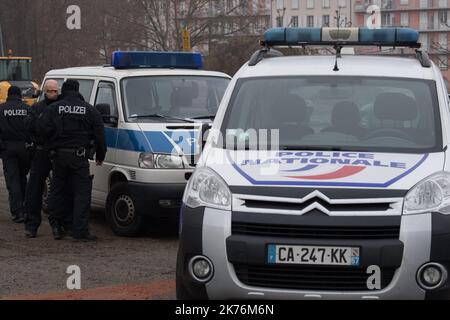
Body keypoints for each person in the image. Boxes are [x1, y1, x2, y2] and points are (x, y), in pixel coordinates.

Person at [38, 80, 107, 242]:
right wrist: (100, 155)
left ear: (64, 90)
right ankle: (80, 230)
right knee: (82, 193)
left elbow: (41, 129)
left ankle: (56, 227)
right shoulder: (90, 110)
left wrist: (50, 146)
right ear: (78, 90)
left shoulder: (54, 108)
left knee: (58, 191)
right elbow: (100, 136)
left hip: (59, 157)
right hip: (79, 158)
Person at [24, 80, 64, 238]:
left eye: (55, 91)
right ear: (45, 91)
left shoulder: (60, 107)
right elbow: (28, 128)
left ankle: (56, 225)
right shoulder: (36, 108)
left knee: (58, 189)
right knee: (34, 190)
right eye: (51, 91)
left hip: (57, 151)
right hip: (41, 151)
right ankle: (32, 225)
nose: (53, 93)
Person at [0, 86, 31, 223]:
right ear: (19, 95)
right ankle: (24, 207)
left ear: (8, 94)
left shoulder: (1, 109)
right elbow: (33, 128)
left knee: (12, 180)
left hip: (8, 148)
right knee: (22, 177)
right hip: (25, 147)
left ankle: (17, 212)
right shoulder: (27, 108)